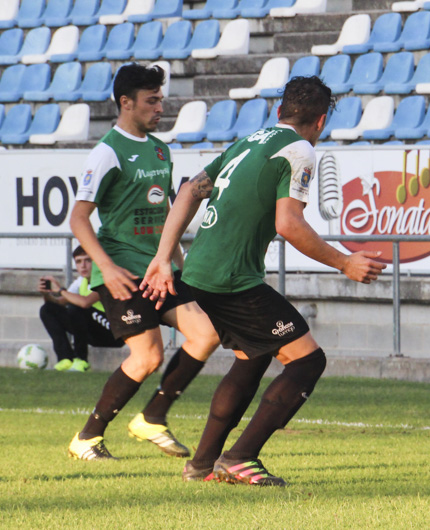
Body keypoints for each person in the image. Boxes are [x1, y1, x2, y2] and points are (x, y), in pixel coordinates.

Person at [140, 76, 386, 486]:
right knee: (308, 360)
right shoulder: (301, 150)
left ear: (279, 111)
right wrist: (344, 262)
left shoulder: (250, 140)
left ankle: (202, 464)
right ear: (321, 121)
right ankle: (240, 458)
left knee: (252, 357)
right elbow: (288, 223)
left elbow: (187, 191)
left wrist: (163, 259)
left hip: (201, 270)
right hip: (230, 278)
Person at [67, 63, 221, 461]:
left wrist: (184, 267)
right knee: (148, 355)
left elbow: (169, 213)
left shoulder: (160, 149)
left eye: (160, 100)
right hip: (120, 269)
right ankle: (87, 438)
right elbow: (79, 218)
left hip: (158, 267)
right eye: (151, 101)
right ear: (126, 103)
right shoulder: (107, 153)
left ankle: (152, 417)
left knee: (205, 335)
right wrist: (108, 268)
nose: (159, 108)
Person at [38, 245, 124, 372]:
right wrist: (47, 294)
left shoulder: (105, 280)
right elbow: (61, 303)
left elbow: (85, 303)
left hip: (113, 334)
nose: (83, 265)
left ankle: (81, 360)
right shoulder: (80, 282)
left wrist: (61, 290)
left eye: (88, 260)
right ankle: (65, 359)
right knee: (47, 309)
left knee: (77, 308)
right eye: (78, 262)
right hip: (94, 331)